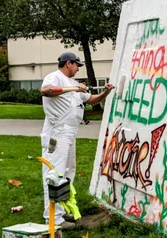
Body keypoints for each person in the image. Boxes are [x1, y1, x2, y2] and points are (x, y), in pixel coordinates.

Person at [40, 52, 114, 230]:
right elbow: (45, 91)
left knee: (68, 171)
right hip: (57, 134)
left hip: (70, 133)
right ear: (68, 63)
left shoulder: (74, 83)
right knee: (54, 173)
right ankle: (53, 219)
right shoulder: (55, 77)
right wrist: (75, 89)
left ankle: (62, 209)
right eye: (76, 65)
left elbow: (91, 99)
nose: (78, 68)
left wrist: (106, 92)